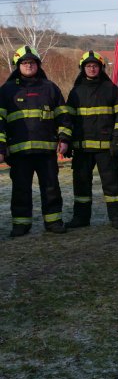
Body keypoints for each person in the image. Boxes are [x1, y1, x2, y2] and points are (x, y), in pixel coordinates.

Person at [0, 45, 72, 237]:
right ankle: (21, 225)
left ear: (38, 65)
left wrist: (64, 139)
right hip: (19, 152)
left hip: (46, 152)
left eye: (32, 62)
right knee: (20, 189)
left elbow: (63, 116)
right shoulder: (7, 91)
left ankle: (54, 221)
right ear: (18, 66)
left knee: (51, 188)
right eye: (24, 63)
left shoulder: (50, 88)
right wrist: (1, 147)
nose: (28, 65)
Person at [64, 51, 118, 230]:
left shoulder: (111, 89)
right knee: (81, 185)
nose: (92, 69)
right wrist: (67, 141)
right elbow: (67, 119)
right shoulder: (75, 92)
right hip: (82, 149)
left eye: (95, 66)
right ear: (83, 68)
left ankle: (116, 218)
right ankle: (81, 218)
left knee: (112, 184)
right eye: (88, 66)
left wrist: (117, 139)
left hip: (106, 149)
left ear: (101, 68)